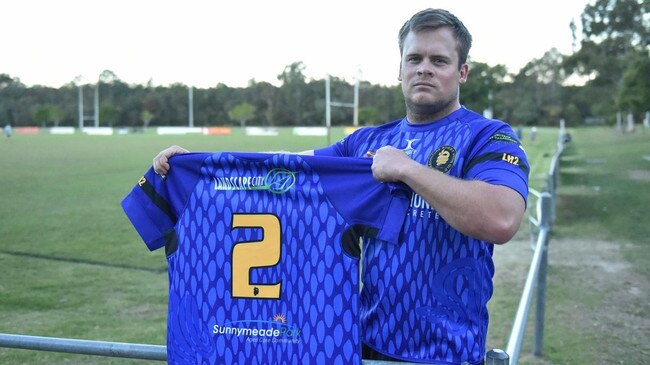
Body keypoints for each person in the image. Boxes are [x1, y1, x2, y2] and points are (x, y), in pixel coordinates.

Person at [153, 8, 529, 364]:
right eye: (414, 59)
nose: (424, 69)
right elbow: (286, 166)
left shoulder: (488, 137)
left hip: (448, 353)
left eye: (439, 61)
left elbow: (500, 218)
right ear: (399, 68)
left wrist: (408, 170)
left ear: (462, 72)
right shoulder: (364, 142)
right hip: (364, 345)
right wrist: (198, 165)